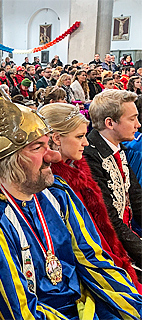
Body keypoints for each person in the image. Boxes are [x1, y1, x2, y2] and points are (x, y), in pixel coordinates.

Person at [0, 95, 142, 319]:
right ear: (12, 159)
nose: (53, 155)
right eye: (38, 147)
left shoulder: (57, 193)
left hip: (80, 306)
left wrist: (137, 308)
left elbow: (94, 260)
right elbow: (20, 312)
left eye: (49, 144)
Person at [40, 103, 142, 291]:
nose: (86, 143)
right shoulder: (54, 187)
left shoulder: (77, 170)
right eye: (79, 136)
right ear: (56, 138)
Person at [83, 89, 142, 268]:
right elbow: (108, 218)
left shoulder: (117, 147)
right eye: (132, 119)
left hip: (124, 238)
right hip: (106, 248)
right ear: (110, 123)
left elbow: (136, 198)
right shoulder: (90, 155)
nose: (138, 124)